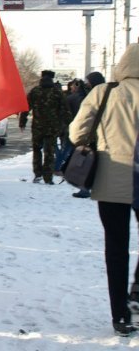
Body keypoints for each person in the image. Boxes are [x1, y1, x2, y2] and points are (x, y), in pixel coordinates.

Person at [68, 45, 139, 336]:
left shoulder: (104, 93)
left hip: (112, 179)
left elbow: (76, 134)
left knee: (116, 247)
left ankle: (120, 315)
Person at [19, 70, 70, 184]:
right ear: (52, 79)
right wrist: (67, 124)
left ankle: (37, 175)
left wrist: (22, 122)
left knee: (37, 150)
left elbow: (26, 108)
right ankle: (48, 178)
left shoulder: (35, 91)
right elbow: (65, 110)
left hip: (37, 127)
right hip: (52, 128)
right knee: (49, 152)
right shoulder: (57, 92)